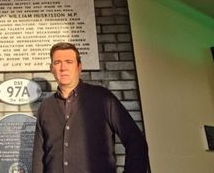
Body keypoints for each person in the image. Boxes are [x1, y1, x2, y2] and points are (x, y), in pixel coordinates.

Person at [32, 42, 149, 173]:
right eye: (57, 62)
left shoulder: (103, 98)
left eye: (69, 61)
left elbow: (136, 142)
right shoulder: (46, 106)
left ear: (79, 67)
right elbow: (38, 159)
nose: (63, 67)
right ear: (51, 68)